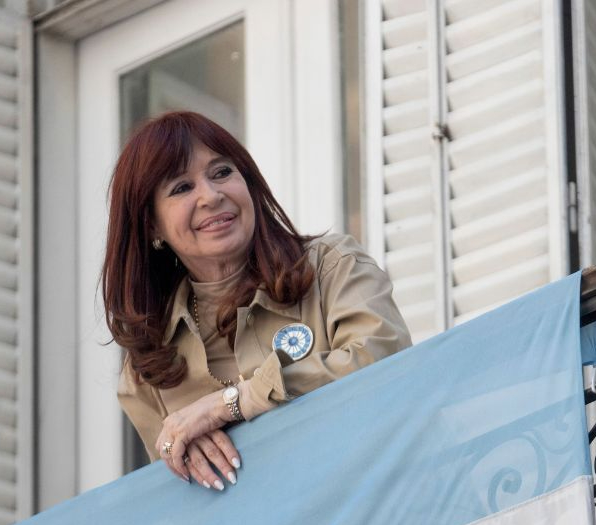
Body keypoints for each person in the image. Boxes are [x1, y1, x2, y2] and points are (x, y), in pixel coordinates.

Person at [102, 111, 411, 490]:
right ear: (152, 225)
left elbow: (384, 360)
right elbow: (179, 509)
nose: (212, 196)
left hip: (395, 514)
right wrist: (177, 456)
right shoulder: (145, 371)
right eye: (182, 187)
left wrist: (230, 404)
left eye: (221, 173)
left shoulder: (332, 266)